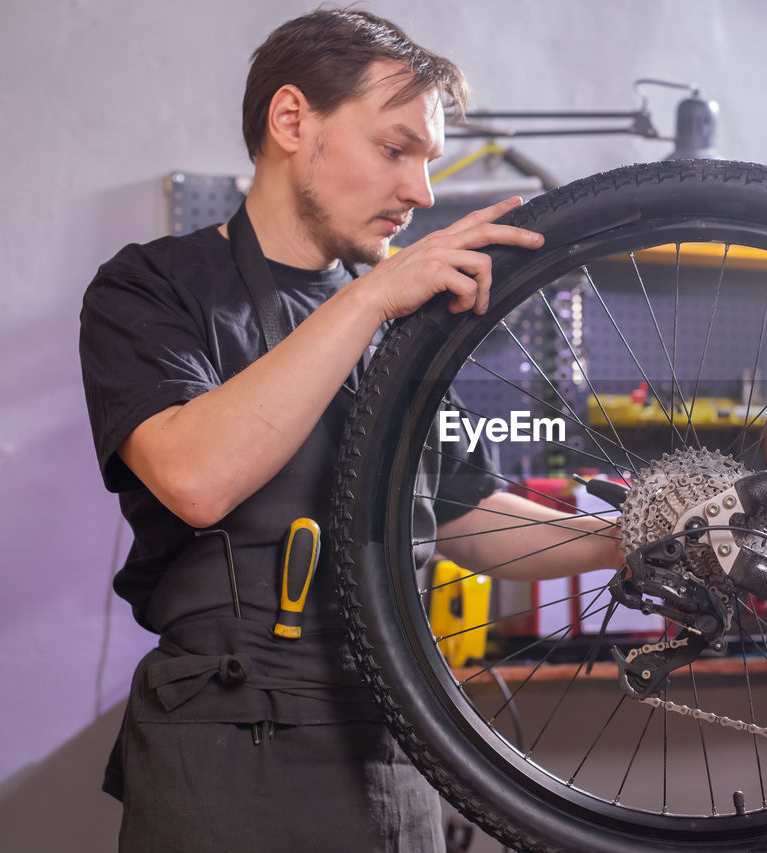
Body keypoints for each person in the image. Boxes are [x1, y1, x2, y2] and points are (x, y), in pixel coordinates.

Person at [79, 9, 622, 851]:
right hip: (226, 744)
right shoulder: (150, 290)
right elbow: (196, 477)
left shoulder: (400, 333)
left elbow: (469, 522)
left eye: (428, 161)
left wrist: (633, 537)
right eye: (395, 148)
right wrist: (366, 298)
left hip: (392, 745)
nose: (423, 192)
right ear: (292, 121)